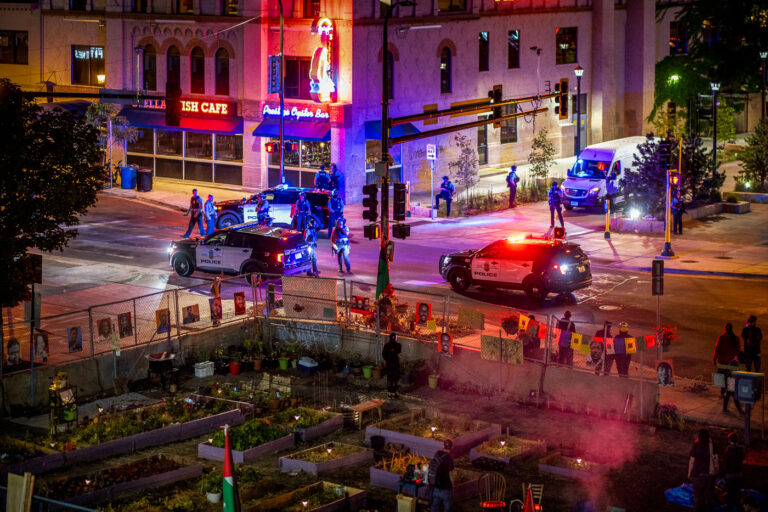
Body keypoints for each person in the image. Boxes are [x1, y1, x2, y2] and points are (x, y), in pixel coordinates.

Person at [713, 323, 742, 414]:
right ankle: (735, 408)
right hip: (731, 364)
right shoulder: (736, 338)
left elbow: (717, 349)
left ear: (725, 329)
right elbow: (738, 351)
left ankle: (723, 393)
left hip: (722, 362)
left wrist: (714, 359)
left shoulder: (722, 337)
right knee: (731, 385)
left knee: (722, 380)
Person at [688, 428, 715, 512]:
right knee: (708, 498)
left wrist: (689, 473)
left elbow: (692, 461)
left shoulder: (696, 445)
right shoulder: (712, 446)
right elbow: (716, 460)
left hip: (697, 476)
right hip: (709, 476)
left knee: (698, 498)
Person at [429, 439, 455, 512]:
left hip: (436, 486)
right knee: (447, 508)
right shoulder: (449, 458)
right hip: (446, 489)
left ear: (443, 445)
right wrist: (453, 485)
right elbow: (451, 473)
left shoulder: (437, 453)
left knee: (434, 506)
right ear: (451, 447)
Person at [722, 432, 745, 512]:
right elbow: (742, 459)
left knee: (730, 492)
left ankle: (730, 507)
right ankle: (738, 506)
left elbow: (725, 463)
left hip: (729, 474)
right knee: (737, 492)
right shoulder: (741, 449)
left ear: (729, 440)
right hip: (738, 474)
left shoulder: (728, 450)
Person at [382, 333, 401, 398]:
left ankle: (390, 393)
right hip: (395, 363)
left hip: (389, 363)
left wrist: (385, 360)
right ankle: (394, 392)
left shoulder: (387, 345)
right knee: (395, 378)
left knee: (390, 378)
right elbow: (398, 351)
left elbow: (384, 354)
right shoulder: (398, 345)